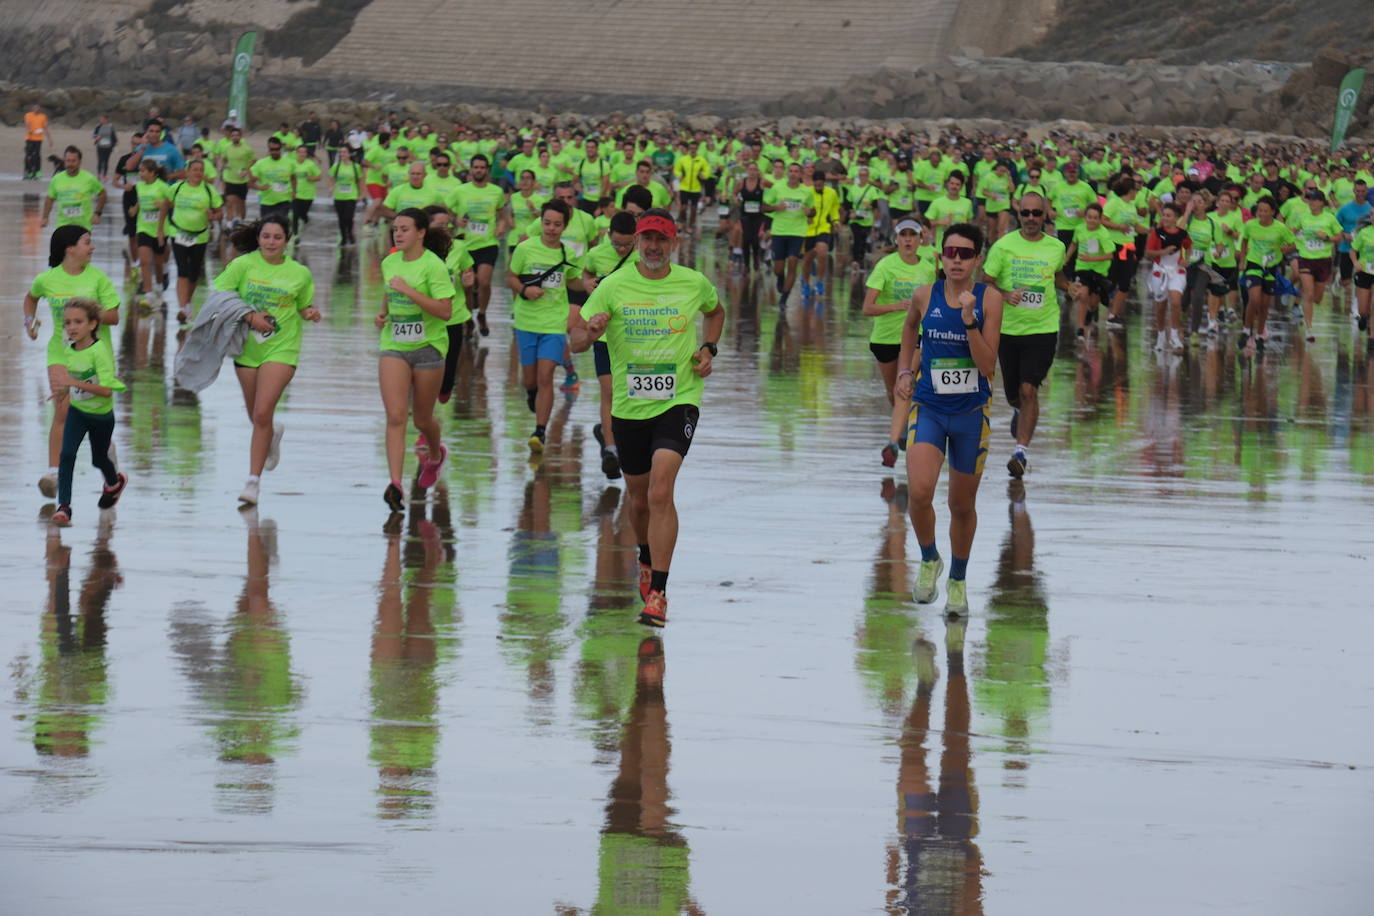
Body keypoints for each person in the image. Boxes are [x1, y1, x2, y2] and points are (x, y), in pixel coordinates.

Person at [570, 209, 725, 628]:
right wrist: (593, 331)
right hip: (629, 406)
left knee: (660, 490)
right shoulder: (614, 286)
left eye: (662, 239)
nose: (654, 247)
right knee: (637, 499)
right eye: (647, 239)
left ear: (673, 243)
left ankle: (658, 591)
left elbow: (715, 311)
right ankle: (644, 556)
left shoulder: (693, 282)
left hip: (680, 399)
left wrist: (709, 348)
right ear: (637, 241)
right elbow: (577, 341)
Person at [894, 222, 1003, 614]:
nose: (956, 260)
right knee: (919, 492)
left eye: (965, 253)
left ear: (977, 259)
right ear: (940, 255)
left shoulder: (990, 299)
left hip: (971, 413)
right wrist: (905, 370)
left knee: (961, 504)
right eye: (950, 252)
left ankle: (957, 578)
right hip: (930, 407)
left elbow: (988, 365)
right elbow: (909, 330)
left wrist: (970, 320)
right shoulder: (925, 294)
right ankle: (929, 558)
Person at [212, 217, 321, 505]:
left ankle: (253, 483)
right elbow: (220, 296)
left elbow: (303, 305)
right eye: (266, 237)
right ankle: (273, 433)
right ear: (258, 238)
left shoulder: (300, 273)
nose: (271, 242)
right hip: (246, 349)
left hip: (282, 348)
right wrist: (249, 316)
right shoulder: (242, 265)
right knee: (256, 417)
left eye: (277, 237)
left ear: (287, 240)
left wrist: (309, 313)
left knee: (262, 412)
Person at [24, 225, 121, 498]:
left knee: (92, 412)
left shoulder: (99, 279)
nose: (92, 247)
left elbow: (114, 316)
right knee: (63, 408)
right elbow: (30, 299)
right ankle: (54, 473)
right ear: (70, 248)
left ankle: (105, 449)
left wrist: (87, 314)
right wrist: (28, 321)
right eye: (86, 242)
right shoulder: (48, 279)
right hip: (60, 352)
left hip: (93, 355)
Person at [982, 192, 1067, 479]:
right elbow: (987, 282)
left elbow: (1056, 276)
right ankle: (1019, 410)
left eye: (1037, 213)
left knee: (1029, 389)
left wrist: (1072, 288)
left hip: (1043, 328)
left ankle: (1020, 452)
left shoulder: (1056, 247)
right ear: (1019, 214)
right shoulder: (1003, 246)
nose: (1031, 218)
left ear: (1045, 216)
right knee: (1014, 395)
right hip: (1007, 330)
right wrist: (1006, 295)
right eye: (1026, 213)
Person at [377, 208, 456, 512]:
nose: (398, 233)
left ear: (421, 232)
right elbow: (389, 289)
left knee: (422, 419)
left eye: (405, 229)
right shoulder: (389, 262)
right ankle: (395, 483)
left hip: (429, 347)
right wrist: (382, 313)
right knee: (396, 416)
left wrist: (409, 291)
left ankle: (436, 455)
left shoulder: (433, 267)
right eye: (395, 228)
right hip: (394, 344)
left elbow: (445, 311)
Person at [507, 199, 583, 453]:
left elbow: (573, 282)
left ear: (565, 226)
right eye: (547, 223)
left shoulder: (567, 254)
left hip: (554, 323)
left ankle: (540, 431)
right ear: (540, 221)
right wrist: (525, 290)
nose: (551, 229)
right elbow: (511, 277)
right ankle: (532, 395)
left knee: (545, 376)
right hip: (526, 322)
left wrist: (591, 285)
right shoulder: (525, 249)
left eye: (557, 224)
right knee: (530, 380)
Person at [48, 298, 129, 527]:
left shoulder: (99, 351)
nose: (72, 327)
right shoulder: (69, 350)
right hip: (78, 412)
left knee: (99, 459)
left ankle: (114, 483)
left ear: (93, 324)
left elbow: (105, 391)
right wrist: (63, 390)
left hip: (101, 417)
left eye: (78, 322)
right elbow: (77, 379)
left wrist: (72, 381)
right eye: (67, 323)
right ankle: (64, 507)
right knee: (67, 455)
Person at [866, 217, 936, 467]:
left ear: (921, 239)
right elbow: (867, 308)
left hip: (915, 338)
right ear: (896, 239)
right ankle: (903, 426)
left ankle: (894, 441)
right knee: (893, 391)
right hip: (885, 338)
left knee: (905, 386)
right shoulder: (886, 266)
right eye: (903, 235)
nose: (907, 239)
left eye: (912, 235)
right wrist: (896, 306)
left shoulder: (928, 268)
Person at [579, 210, 641, 479]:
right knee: (608, 390)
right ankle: (611, 450)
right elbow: (585, 275)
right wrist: (588, 284)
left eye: (627, 244)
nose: (621, 249)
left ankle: (624, 438)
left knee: (630, 392)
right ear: (608, 236)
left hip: (635, 336)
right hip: (604, 334)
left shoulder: (643, 258)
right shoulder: (596, 254)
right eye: (617, 244)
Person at [446, 153, 506, 336]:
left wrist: (501, 226)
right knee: (468, 285)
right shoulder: (460, 191)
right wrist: (455, 221)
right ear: (471, 170)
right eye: (476, 167)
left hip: (488, 243)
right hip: (465, 244)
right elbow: (447, 210)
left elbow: (502, 214)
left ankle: (482, 313)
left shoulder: (496, 191)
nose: (479, 170)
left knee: (484, 282)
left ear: (487, 170)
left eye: (482, 167)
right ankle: (468, 317)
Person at [166, 157, 223, 323]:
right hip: (178, 233)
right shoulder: (177, 188)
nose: (198, 173)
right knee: (182, 270)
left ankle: (187, 302)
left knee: (194, 274)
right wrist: (161, 230)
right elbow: (165, 206)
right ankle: (183, 308)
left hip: (200, 236)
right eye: (195, 169)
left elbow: (219, 212)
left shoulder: (209, 190)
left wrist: (213, 216)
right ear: (187, 172)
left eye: (200, 170)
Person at [1237, 197, 1295, 355]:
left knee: (1264, 305)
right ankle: (1246, 330)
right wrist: (1242, 259)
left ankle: (1260, 334)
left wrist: (1282, 251)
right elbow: (1244, 240)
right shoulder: (1250, 225)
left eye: (1265, 210)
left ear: (1273, 212)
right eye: (1259, 210)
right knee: (1254, 299)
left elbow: (1293, 243)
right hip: (1254, 265)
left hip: (1271, 267)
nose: (1261, 213)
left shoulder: (1280, 228)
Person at [1292, 188, 1343, 342]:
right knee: (1309, 293)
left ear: (1321, 203)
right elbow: (1292, 231)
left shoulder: (1329, 218)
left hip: (1323, 260)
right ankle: (1309, 329)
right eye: (1310, 200)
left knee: (1318, 298)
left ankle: (1306, 305)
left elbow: (1339, 237)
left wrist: (1326, 237)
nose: (1311, 202)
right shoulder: (1303, 218)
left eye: (1314, 200)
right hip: (1306, 258)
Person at [764, 162, 815, 304]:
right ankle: (780, 277)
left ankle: (784, 299)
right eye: (791, 171)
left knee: (793, 262)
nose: (793, 174)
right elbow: (764, 207)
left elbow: (813, 210)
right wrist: (775, 207)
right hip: (779, 231)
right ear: (787, 173)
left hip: (798, 232)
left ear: (800, 174)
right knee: (778, 268)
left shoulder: (806, 191)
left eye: (796, 171)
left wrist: (810, 212)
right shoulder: (777, 188)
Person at [1143, 202, 1190, 352]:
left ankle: (1175, 336)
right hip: (1160, 270)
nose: (1165, 218)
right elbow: (1148, 253)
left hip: (1177, 271)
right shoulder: (1157, 233)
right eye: (1163, 215)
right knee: (1161, 306)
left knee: (1176, 302)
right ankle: (1161, 335)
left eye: (1169, 215)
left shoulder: (1182, 234)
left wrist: (1186, 260)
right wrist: (1163, 252)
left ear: (1176, 218)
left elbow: (1189, 246)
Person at [129, 159, 173, 303]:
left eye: (143, 171)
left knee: (158, 263)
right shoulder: (139, 186)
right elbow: (141, 201)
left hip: (160, 230)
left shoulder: (163, 186)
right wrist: (134, 209)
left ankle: (159, 285)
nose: (140, 174)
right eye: (139, 171)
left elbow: (174, 202)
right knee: (145, 262)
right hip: (143, 228)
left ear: (153, 173)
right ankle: (148, 294)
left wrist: (163, 204)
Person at [42, 147, 106, 231]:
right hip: (62, 226)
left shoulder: (89, 178)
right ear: (64, 161)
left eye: (73, 161)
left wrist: (97, 213)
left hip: (83, 227)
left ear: (79, 162)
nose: (70, 164)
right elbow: (50, 199)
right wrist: (45, 217)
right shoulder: (56, 179)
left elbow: (102, 194)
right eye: (68, 161)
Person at [801, 168, 840, 298]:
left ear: (824, 182)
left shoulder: (831, 193)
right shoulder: (807, 193)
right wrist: (806, 214)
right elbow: (802, 208)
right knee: (807, 259)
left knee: (822, 253)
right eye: (815, 183)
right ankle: (805, 284)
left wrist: (836, 221)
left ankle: (819, 282)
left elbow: (834, 208)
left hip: (824, 227)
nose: (818, 185)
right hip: (808, 230)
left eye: (820, 183)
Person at [249, 136, 294, 222]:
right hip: (266, 202)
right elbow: (250, 183)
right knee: (266, 226)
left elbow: (293, 177)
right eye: (271, 149)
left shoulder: (290, 163)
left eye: (276, 149)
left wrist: (294, 191)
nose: (274, 152)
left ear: (280, 149)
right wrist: (260, 188)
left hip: (284, 201)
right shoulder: (261, 163)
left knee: (280, 226)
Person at [329, 144, 363, 244]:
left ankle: (350, 233)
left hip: (351, 195)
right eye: (340, 152)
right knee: (341, 218)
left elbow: (360, 181)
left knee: (348, 216)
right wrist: (330, 187)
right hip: (339, 196)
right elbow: (331, 178)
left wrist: (361, 194)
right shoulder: (336, 166)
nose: (342, 154)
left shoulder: (355, 167)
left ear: (349, 154)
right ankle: (344, 237)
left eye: (344, 152)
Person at [290, 145, 322, 236]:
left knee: (303, 214)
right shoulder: (292, 164)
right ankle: (295, 235)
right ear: (296, 153)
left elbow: (319, 177)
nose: (302, 154)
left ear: (306, 154)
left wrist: (311, 178)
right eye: (300, 152)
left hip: (308, 194)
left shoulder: (310, 164)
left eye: (304, 152)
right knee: (295, 215)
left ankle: (305, 219)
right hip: (295, 193)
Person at [24, 103, 51, 180]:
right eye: (35, 108)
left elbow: (45, 128)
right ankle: (28, 171)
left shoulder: (43, 116)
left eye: (38, 108)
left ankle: (37, 171)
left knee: (37, 155)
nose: (37, 109)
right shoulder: (28, 115)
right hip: (29, 139)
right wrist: (30, 130)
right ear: (32, 108)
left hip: (38, 139)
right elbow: (28, 124)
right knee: (28, 156)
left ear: (40, 109)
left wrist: (49, 139)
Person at [91, 114, 117, 180]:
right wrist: (96, 138)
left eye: (102, 119)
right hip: (100, 147)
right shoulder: (98, 127)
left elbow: (114, 137)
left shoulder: (111, 127)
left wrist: (113, 146)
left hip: (108, 147)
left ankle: (104, 175)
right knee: (100, 161)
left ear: (106, 120)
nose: (101, 120)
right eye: (100, 119)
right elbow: (93, 135)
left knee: (106, 161)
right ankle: (99, 175)